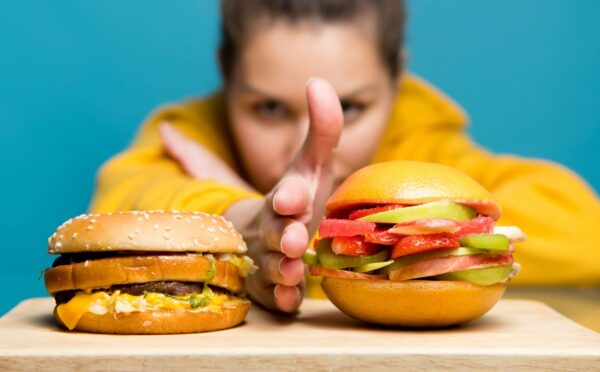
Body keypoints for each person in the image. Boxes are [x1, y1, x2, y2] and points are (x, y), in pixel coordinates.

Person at [90, 0, 600, 313]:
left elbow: (582, 230)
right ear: (226, 74)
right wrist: (241, 220)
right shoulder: (191, 136)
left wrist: (362, 237)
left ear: (397, 80)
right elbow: (119, 201)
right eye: (268, 107)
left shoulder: (420, 140)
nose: (306, 144)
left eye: (350, 107)